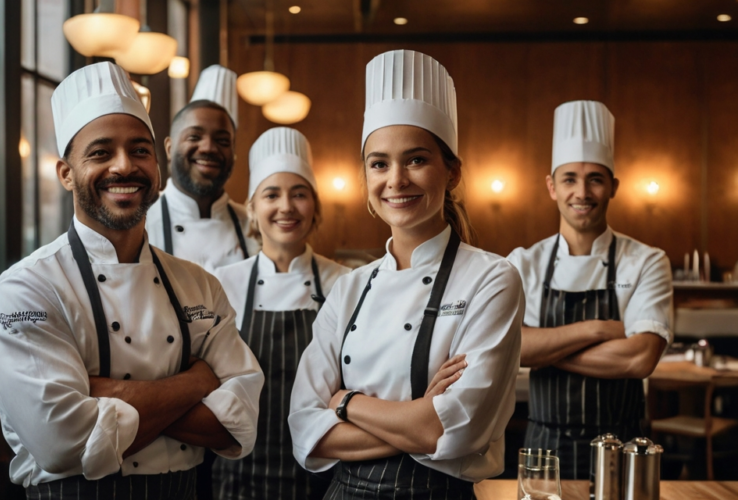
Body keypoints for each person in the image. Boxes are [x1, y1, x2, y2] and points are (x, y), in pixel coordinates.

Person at [0, 62, 264, 499]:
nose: (124, 166)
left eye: (140, 150)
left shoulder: (200, 285)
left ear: (158, 166)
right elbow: (61, 443)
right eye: (100, 152)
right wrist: (196, 383)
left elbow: (239, 423)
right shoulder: (28, 289)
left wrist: (107, 396)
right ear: (66, 173)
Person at [288, 50, 524, 499]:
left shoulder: (493, 278)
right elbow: (305, 428)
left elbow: (454, 431)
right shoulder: (349, 287)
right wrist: (415, 415)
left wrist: (346, 403)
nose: (396, 180)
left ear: (451, 172)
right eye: (379, 163)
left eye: (416, 160)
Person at [507, 100, 673, 479]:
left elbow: (639, 359)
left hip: (625, 450)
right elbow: (509, 347)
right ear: (551, 187)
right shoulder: (523, 262)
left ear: (613, 186)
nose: (582, 192)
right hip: (542, 448)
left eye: (595, 178)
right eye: (569, 179)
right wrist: (597, 330)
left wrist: (538, 348)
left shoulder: (647, 261)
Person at [211, 127, 351, 499]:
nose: (286, 207)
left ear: (315, 206)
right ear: (253, 208)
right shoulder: (221, 284)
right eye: (271, 194)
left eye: (300, 194)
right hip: (239, 472)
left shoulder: (346, 283)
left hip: (322, 470)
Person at [146, 64, 260, 273]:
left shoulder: (253, 227)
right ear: (169, 149)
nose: (208, 148)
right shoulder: (141, 222)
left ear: (233, 153)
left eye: (222, 140)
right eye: (194, 137)